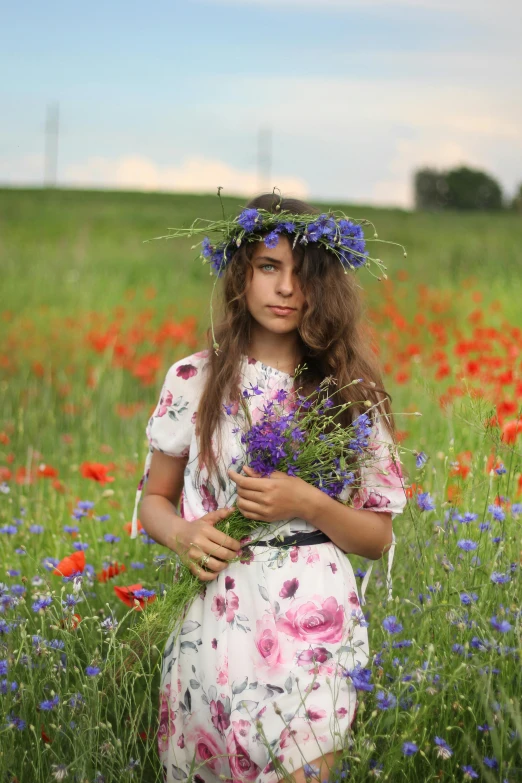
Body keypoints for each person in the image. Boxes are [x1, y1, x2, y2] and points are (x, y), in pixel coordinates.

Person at [132, 193, 408, 783]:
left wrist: (305, 501)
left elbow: (378, 537)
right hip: (216, 614)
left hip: (314, 623)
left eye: (301, 273)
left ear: (321, 286)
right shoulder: (193, 379)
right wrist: (182, 534)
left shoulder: (347, 392)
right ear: (240, 275)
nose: (285, 288)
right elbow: (153, 500)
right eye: (267, 267)